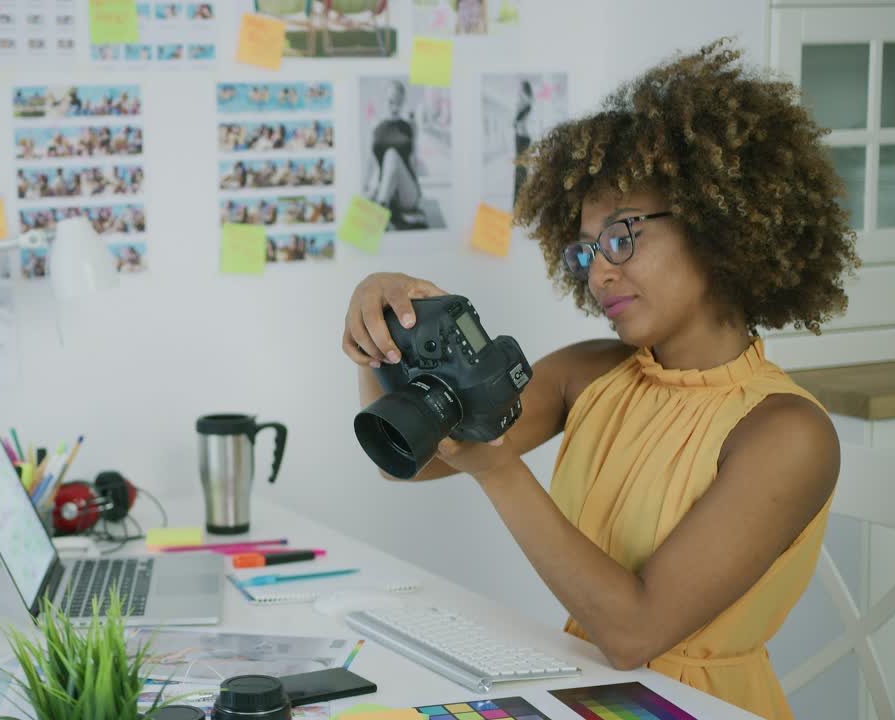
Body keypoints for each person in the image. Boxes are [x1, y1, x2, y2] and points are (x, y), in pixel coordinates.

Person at [341, 39, 858, 720]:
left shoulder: (788, 433)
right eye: (585, 250)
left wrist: (498, 470)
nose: (598, 273)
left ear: (714, 223)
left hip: (693, 707)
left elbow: (633, 633)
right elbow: (405, 463)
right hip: (579, 692)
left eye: (622, 237)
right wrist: (382, 334)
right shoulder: (592, 373)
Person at [363, 80, 428, 230]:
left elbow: (414, 159)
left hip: (407, 192)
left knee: (392, 155)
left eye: (399, 102)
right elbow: (370, 161)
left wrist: (418, 189)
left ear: (403, 101)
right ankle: (383, 206)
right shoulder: (375, 126)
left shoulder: (410, 126)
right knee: (388, 159)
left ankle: (379, 211)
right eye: (391, 101)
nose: (394, 106)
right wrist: (366, 188)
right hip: (385, 188)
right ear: (384, 100)